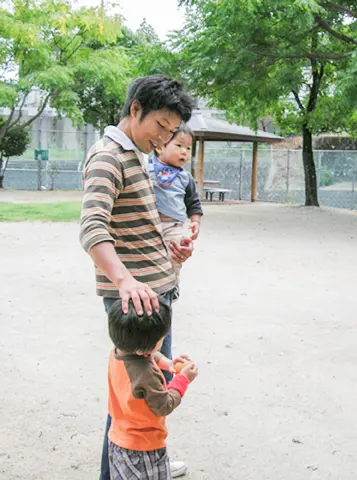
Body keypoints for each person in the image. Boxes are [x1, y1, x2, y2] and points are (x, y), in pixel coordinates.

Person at [79, 74, 196, 479]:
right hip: (136, 300)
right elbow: (92, 227)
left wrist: (170, 249)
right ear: (135, 110)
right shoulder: (108, 156)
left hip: (155, 290)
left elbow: (136, 225)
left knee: (152, 386)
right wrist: (125, 281)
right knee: (135, 396)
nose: (164, 139)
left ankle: (151, 459)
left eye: (172, 131)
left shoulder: (138, 155)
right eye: (159, 126)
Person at [106, 299, 198, 480]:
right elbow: (164, 404)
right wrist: (183, 379)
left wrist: (168, 363)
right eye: (161, 339)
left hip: (119, 438)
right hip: (143, 449)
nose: (162, 340)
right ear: (146, 347)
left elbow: (149, 354)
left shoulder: (119, 351)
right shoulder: (146, 375)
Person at [149, 123, 203, 293]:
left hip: (174, 226)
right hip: (150, 225)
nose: (184, 151)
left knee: (174, 256)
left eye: (188, 148)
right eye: (178, 145)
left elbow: (193, 203)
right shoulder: (147, 168)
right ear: (159, 147)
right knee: (150, 258)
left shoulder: (185, 178)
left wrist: (195, 222)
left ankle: (172, 285)